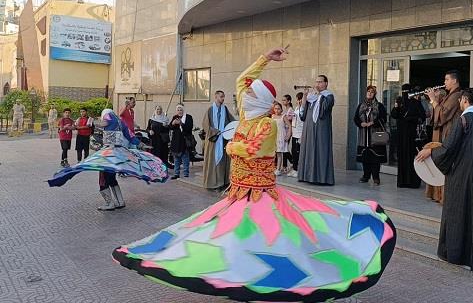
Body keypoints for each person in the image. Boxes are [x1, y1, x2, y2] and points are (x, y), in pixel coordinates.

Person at [112, 48, 397, 302]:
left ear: (260, 101)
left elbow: (252, 149)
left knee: (266, 242)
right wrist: (264, 60)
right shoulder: (249, 118)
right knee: (228, 240)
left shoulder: (268, 125)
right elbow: (241, 82)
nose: (244, 97)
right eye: (245, 95)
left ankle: (265, 285)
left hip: (261, 197)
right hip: (238, 194)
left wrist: (232, 143)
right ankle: (241, 282)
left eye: (249, 95)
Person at [416, 88, 473, 273]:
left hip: (460, 176)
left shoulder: (463, 120)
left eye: (460, 99)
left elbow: (448, 148)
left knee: (456, 213)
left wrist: (431, 151)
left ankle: (455, 253)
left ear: (465, 100)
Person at [48, 109, 168, 211]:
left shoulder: (109, 118)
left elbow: (104, 123)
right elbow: (131, 137)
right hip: (118, 154)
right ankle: (120, 202)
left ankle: (109, 203)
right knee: (111, 178)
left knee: (103, 179)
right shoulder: (121, 122)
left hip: (108, 153)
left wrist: (93, 122)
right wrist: (141, 145)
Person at [425, 71, 462, 203]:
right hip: (441, 132)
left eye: (447, 80)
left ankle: (444, 196)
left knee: (444, 162)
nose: (444, 82)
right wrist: (436, 99)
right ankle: (437, 194)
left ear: (454, 81)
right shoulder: (449, 95)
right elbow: (437, 111)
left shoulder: (457, 95)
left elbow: (444, 114)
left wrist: (434, 100)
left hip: (448, 133)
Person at [297, 75, 335, 185]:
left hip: (321, 128)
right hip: (309, 128)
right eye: (316, 82)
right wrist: (305, 95)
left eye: (320, 82)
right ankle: (306, 176)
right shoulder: (311, 96)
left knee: (321, 150)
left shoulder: (329, 96)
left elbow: (324, 110)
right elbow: (303, 112)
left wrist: (319, 95)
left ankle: (322, 178)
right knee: (308, 150)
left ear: (326, 83)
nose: (317, 84)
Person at [391, 84, 425, 188]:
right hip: (401, 135)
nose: (404, 93)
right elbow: (394, 115)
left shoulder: (416, 103)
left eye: (406, 91)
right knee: (402, 157)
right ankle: (402, 181)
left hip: (412, 135)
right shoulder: (400, 103)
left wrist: (412, 119)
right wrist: (396, 106)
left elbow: (422, 117)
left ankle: (413, 181)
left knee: (411, 157)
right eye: (403, 91)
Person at [354, 85, 387, 185]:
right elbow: (356, 118)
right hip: (364, 135)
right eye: (368, 91)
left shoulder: (379, 106)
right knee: (365, 157)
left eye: (372, 92)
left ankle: (376, 177)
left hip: (375, 135)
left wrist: (372, 123)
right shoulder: (361, 105)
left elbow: (383, 118)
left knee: (375, 158)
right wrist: (361, 123)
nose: (369, 93)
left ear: (374, 94)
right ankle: (366, 176)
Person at [202, 90, 235, 190]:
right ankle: (213, 184)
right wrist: (216, 132)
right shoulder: (210, 110)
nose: (223, 99)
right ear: (215, 97)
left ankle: (223, 182)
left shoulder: (225, 109)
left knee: (223, 162)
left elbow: (232, 121)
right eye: (221, 96)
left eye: (223, 97)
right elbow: (205, 125)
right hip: (214, 140)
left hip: (223, 140)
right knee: (213, 162)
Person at [169, 104, 193, 179]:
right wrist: (173, 123)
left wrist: (181, 123)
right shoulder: (175, 117)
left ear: (183, 110)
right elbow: (170, 127)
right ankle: (176, 173)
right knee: (176, 158)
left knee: (185, 157)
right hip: (176, 141)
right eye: (178, 110)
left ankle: (186, 173)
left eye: (181, 110)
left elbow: (189, 128)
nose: (179, 111)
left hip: (184, 141)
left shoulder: (188, 117)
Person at [272, 101, 292, 176]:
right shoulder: (273, 116)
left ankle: (278, 169)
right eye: (275, 109)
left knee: (279, 153)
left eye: (278, 109)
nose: (277, 110)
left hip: (281, 136)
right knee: (275, 153)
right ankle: (275, 167)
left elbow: (289, 126)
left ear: (281, 110)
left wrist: (288, 135)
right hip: (274, 136)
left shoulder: (283, 116)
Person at [289, 91, 304, 177]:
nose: (299, 101)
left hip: (300, 134)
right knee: (293, 151)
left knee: (298, 152)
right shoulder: (296, 108)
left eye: (300, 99)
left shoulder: (303, 110)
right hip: (295, 133)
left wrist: (302, 135)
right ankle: (294, 168)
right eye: (298, 99)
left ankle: (297, 170)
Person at [281, 94, 295, 171]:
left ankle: (293, 162)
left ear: (289, 101)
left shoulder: (290, 110)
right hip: (284, 131)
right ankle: (285, 166)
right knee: (284, 148)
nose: (283, 101)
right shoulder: (286, 110)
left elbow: (290, 121)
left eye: (284, 100)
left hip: (288, 132)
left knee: (285, 148)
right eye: (282, 100)